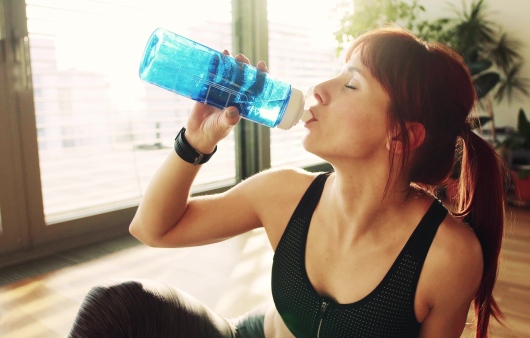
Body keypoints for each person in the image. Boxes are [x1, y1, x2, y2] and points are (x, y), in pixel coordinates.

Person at [69, 26, 506, 338]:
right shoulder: (283, 194)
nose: (319, 88)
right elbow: (152, 228)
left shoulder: (447, 256)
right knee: (113, 309)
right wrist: (196, 143)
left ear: (402, 135)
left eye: (351, 85)